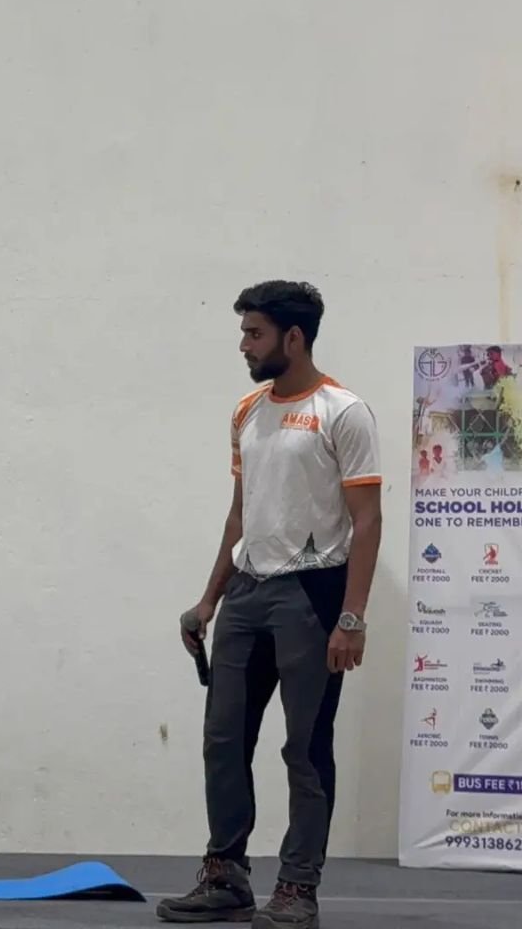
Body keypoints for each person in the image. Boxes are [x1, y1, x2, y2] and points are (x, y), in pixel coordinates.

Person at [158, 281, 382, 929]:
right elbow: (241, 513)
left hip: (312, 594)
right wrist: (208, 600)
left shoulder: (345, 411)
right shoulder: (247, 411)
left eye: (253, 334)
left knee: (304, 748)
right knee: (223, 738)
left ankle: (297, 888)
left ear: (293, 337)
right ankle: (225, 876)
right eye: (243, 333)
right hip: (247, 593)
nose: (243, 346)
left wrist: (353, 616)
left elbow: (367, 522)